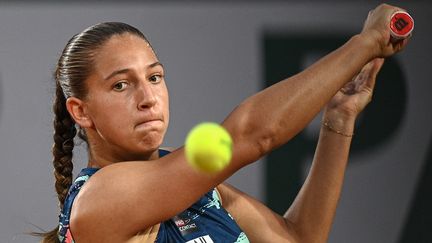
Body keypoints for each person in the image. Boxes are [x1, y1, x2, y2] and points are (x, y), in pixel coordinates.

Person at [37, 3, 409, 243]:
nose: (148, 98)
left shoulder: (200, 191)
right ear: (81, 112)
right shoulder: (100, 199)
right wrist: (366, 42)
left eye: (154, 77)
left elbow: (300, 239)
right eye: (121, 85)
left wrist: (338, 117)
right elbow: (252, 135)